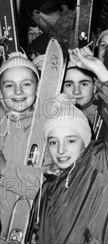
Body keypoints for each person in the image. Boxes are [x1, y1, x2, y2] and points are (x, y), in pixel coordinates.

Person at [34, 47, 108, 243]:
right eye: (53, 142)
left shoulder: (100, 165)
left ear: (85, 141)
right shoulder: (47, 187)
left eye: (71, 140)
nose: (61, 150)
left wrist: (102, 72)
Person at [0, 53, 44, 243]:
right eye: (9, 85)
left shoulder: (47, 128)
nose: (18, 92)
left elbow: (47, 190)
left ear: (38, 87)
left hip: (25, 231)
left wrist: (4, 170)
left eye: (26, 84)